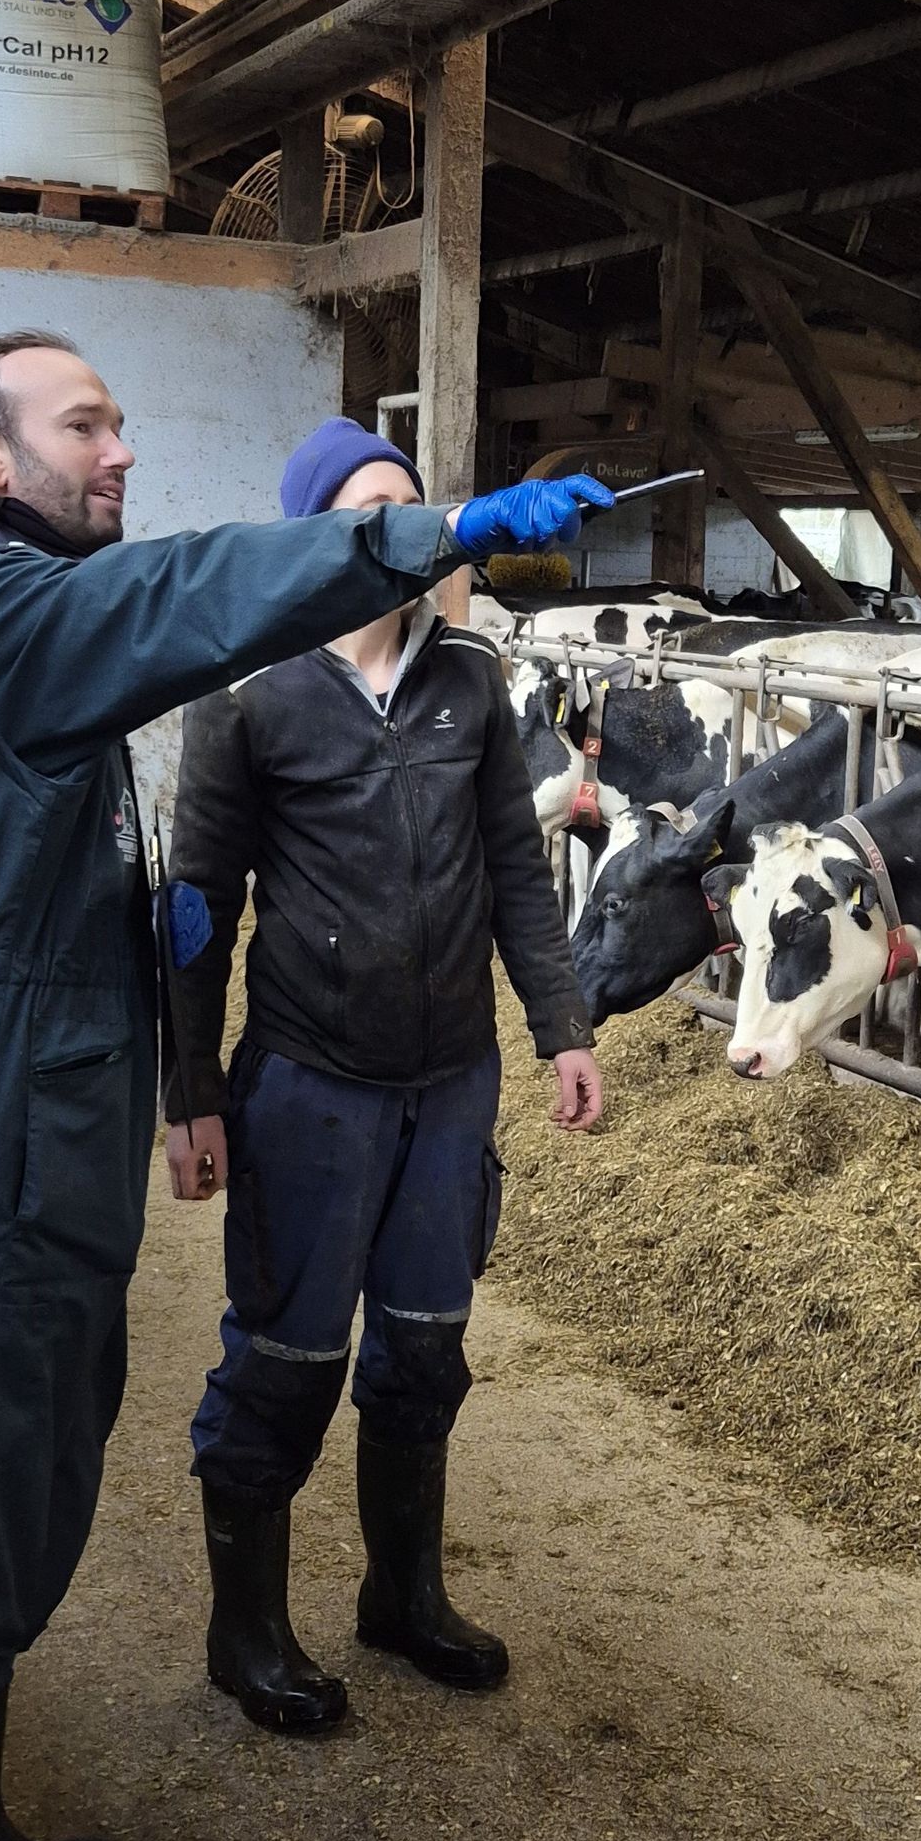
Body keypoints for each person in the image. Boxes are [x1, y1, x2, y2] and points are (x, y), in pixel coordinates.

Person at [0, 332, 611, 1841]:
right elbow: (196, 596)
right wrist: (437, 522)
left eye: (122, 416)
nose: (121, 450)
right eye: (87, 424)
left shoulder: (3, 615)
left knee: (24, 1455)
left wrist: (141, 932)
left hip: (35, 1096)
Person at [163, 419, 602, 1736]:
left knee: (424, 1351)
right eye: (369, 511)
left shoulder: (469, 675)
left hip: (450, 1081)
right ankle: (247, 1633)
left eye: (412, 511)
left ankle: (401, 1595)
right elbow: (198, 901)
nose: (402, 536)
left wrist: (562, 1024)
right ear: (315, 537)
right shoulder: (246, 687)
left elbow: (517, 872)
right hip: (311, 1078)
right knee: (289, 1357)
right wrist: (190, 1091)